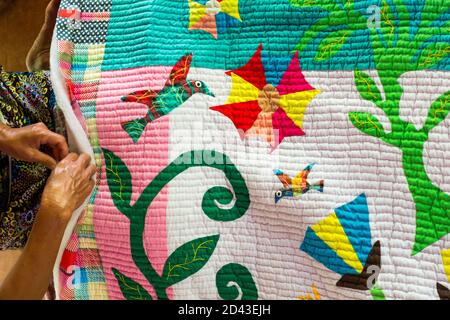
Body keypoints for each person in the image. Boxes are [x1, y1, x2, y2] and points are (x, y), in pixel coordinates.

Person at [0, 0, 95, 299]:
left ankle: (46, 72)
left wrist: (3, 134)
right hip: (47, 211)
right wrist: (55, 212)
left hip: (23, 110)